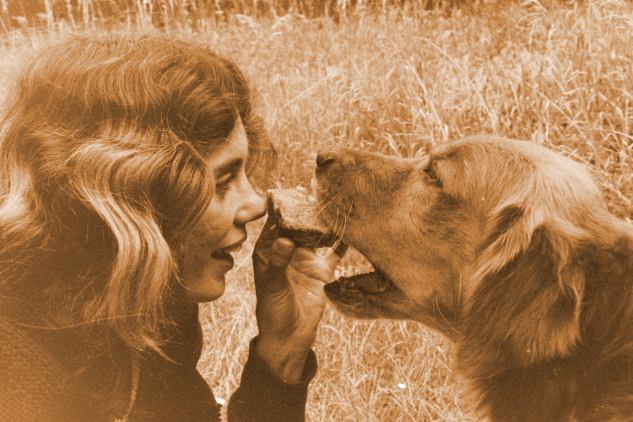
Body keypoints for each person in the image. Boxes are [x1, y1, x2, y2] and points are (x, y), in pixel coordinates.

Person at [0, 30, 345, 422]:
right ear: (129, 202)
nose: (255, 205)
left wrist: (281, 354)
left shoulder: (141, 309)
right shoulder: (15, 372)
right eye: (222, 181)